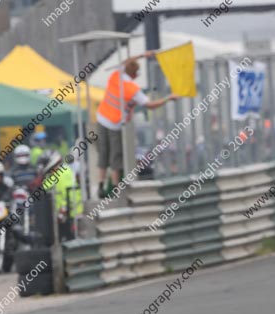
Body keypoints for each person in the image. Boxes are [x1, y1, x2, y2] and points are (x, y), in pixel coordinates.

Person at [97, 51, 179, 198]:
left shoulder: (116, 75)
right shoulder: (133, 90)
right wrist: (168, 98)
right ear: (134, 73)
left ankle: (100, 185)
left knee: (103, 154)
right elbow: (150, 105)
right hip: (116, 124)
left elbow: (127, 61)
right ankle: (117, 189)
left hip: (102, 118)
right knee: (116, 158)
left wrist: (142, 55)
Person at [39, 151, 83, 241]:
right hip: (65, 214)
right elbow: (45, 186)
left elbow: (68, 193)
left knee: (69, 240)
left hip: (70, 214)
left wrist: (63, 211)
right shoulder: (58, 173)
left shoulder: (63, 173)